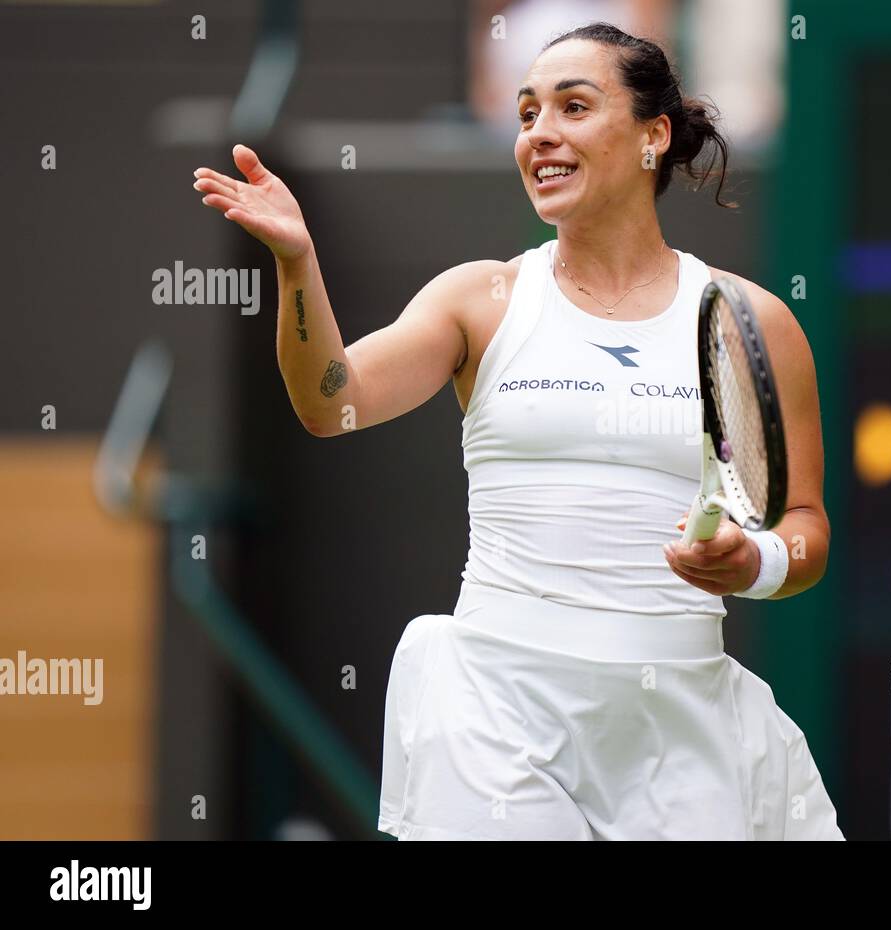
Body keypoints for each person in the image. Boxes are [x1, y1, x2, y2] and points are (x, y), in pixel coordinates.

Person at [192, 21, 842, 840]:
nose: (542, 135)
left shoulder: (757, 321)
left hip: (680, 712)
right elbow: (332, 400)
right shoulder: (479, 299)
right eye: (529, 113)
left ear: (654, 135)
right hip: (496, 708)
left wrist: (752, 560)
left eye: (574, 107)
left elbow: (806, 531)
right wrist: (296, 264)